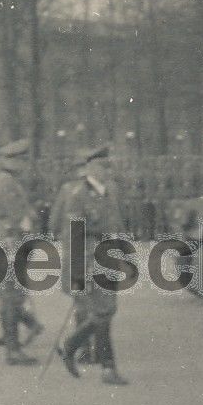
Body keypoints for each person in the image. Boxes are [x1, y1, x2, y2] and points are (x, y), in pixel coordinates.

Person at [50, 144, 129, 385]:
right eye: (102, 167)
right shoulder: (78, 196)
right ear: (90, 168)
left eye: (109, 166)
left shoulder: (109, 191)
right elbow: (74, 235)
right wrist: (79, 272)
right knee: (104, 311)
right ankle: (106, 367)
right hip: (89, 261)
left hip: (108, 258)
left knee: (105, 312)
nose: (107, 171)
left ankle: (74, 346)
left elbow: (116, 224)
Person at [0, 139, 42, 366]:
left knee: (7, 292)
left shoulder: (8, 180)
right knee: (10, 294)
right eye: (22, 160)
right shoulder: (6, 181)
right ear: (13, 161)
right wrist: (29, 222)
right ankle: (14, 349)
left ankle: (18, 334)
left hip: (6, 241)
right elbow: (17, 214)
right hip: (9, 242)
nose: (24, 165)